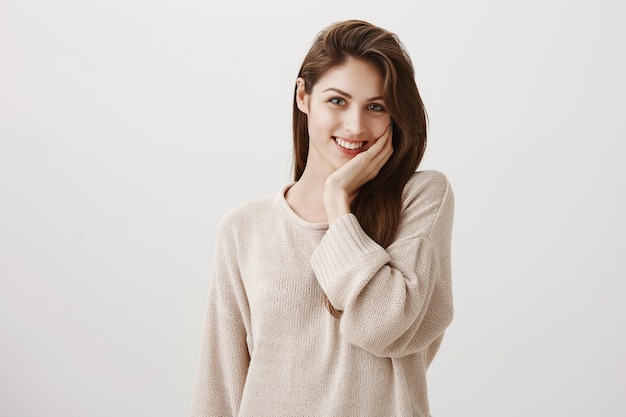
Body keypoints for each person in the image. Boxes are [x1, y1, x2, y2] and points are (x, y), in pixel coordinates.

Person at [190, 19, 454, 417]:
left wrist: (337, 203)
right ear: (303, 96)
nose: (355, 125)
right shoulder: (244, 229)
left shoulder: (419, 200)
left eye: (376, 107)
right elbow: (220, 385)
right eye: (337, 100)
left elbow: (384, 326)